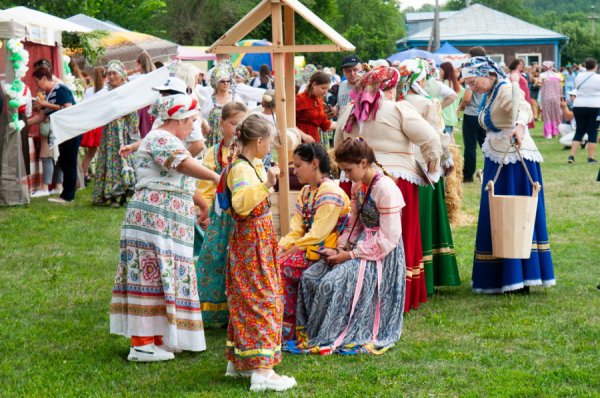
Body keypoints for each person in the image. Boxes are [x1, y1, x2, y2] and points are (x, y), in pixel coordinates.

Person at [110, 94, 221, 362]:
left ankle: (157, 338)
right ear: (179, 118)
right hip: (153, 220)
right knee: (149, 275)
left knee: (162, 275)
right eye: (192, 120)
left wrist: (201, 203)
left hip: (164, 221)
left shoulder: (167, 140)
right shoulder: (160, 138)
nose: (193, 126)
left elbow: (176, 178)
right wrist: (218, 177)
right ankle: (142, 344)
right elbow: (181, 165)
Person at [335, 66, 442, 312]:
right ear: (389, 87)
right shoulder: (398, 108)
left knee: (361, 231)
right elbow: (430, 139)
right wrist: (431, 168)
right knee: (396, 235)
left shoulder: (350, 110)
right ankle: (397, 293)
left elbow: (340, 144)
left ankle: (361, 290)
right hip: (395, 179)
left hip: (357, 178)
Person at [291, 137, 406, 355]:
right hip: (360, 246)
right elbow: (354, 223)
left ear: (364, 163)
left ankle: (335, 332)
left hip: (381, 255)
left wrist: (350, 255)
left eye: (349, 169)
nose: (346, 175)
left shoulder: (386, 189)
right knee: (311, 277)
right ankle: (314, 332)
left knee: (332, 282)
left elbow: (389, 238)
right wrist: (340, 248)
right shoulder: (357, 186)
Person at [461, 56, 555, 293]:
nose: (472, 88)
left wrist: (520, 127)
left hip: (513, 161)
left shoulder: (506, 89)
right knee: (498, 217)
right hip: (498, 158)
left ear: (488, 74)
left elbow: (523, 108)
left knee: (513, 216)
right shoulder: (492, 91)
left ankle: (519, 277)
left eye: (474, 82)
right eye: (469, 84)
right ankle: (500, 276)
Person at [224, 114, 296, 392]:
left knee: (249, 298)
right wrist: (266, 184)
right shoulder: (241, 169)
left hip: (255, 240)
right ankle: (263, 371)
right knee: (262, 299)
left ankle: (241, 362)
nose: (271, 146)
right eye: (270, 141)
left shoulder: (249, 164)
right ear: (259, 140)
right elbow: (241, 204)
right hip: (252, 242)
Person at [399, 59, 461, 296]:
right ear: (419, 79)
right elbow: (436, 136)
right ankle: (428, 275)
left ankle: (409, 273)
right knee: (424, 219)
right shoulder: (427, 103)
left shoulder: (396, 102)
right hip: (425, 167)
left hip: (402, 167)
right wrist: (446, 160)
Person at [278, 143, 350, 341]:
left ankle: (288, 330)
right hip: (309, 248)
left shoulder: (330, 192)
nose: (294, 170)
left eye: (299, 165)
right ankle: (281, 327)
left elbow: (318, 234)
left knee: (280, 266)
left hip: (327, 252)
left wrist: (290, 250)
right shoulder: (306, 192)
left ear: (315, 164)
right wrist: (282, 246)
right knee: (275, 260)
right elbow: (297, 229)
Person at [195, 101, 247, 327]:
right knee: (211, 258)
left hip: (241, 214)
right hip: (218, 215)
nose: (237, 129)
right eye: (234, 123)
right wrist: (203, 210)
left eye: (242, 124)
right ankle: (212, 312)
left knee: (237, 260)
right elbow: (205, 186)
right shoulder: (213, 153)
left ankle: (237, 312)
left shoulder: (248, 150)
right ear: (222, 123)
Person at [92, 60, 139, 207]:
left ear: (122, 75)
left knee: (123, 160)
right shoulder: (106, 94)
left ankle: (124, 193)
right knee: (109, 160)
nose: (111, 77)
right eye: (109, 74)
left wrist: (131, 126)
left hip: (123, 133)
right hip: (109, 133)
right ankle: (110, 195)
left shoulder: (128, 92)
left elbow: (133, 113)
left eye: (114, 73)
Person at [27, 67, 77, 203]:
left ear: (44, 78)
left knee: (69, 163)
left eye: (37, 81)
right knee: (65, 162)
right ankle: (66, 194)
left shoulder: (60, 89)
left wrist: (45, 104)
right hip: (62, 132)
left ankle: (68, 196)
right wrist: (25, 123)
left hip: (71, 130)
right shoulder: (49, 95)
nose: (36, 85)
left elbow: (69, 108)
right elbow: (41, 117)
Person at [458, 46, 488, 182]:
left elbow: (467, 97)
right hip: (484, 114)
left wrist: (461, 107)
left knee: (470, 147)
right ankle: (491, 169)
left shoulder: (471, 72)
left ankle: (468, 174)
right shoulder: (487, 72)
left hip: (471, 114)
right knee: (486, 145)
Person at [201, 62, 242, 147]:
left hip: (232, 137)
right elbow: (203, 118)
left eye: (228, 81)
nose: (226, 83)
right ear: (216, 83)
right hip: (213, 139)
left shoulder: (235, 99)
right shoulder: (210, 100)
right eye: (222, 81)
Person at [569, 57, 600, 164]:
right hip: (594, 106)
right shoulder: (598, 78)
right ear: (595, 66)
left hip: (579, 105)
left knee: (579, 131)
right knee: (592, 132)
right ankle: (590, 158)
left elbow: (576, 88)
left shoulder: (579, 76)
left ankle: (571, 156)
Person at [80, 66, 105, 184]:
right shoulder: (107, 89)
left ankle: (81, 177)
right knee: (103, 153)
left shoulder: (89, 91)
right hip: (102, 124)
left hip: (92, 124)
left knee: (90, 154)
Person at [295, 71, 337, 143]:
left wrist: (344, 124)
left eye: (327, 89)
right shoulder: (299, 100)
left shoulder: (319, 100)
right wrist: (303, 135)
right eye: (323, 88)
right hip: (300, 142)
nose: (325, 92)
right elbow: (288, 122)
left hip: (314, 141)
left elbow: (324, 124)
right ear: (314, 85)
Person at [439, 61, 464, 138]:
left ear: (445, 71)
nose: (439, 72)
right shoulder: (459, 88)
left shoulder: (441, 86)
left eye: (440, 70)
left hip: (442, 118)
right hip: (451, 118)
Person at [508, 58, 535, 129]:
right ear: (515, 64)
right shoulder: (514, 73)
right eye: (520, 64)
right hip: (520, 97)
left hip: (524, 95)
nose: (522, 65)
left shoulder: (518, 73)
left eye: (522, 64)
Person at [539, 61, 562, 139]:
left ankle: (548, 133)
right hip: (556, 98)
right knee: (555, 115)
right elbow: (560, 88)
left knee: (547, 115)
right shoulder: (558, 76)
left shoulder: (542, 75)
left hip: (546, 97)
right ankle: (555, 132)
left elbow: (539, 84)